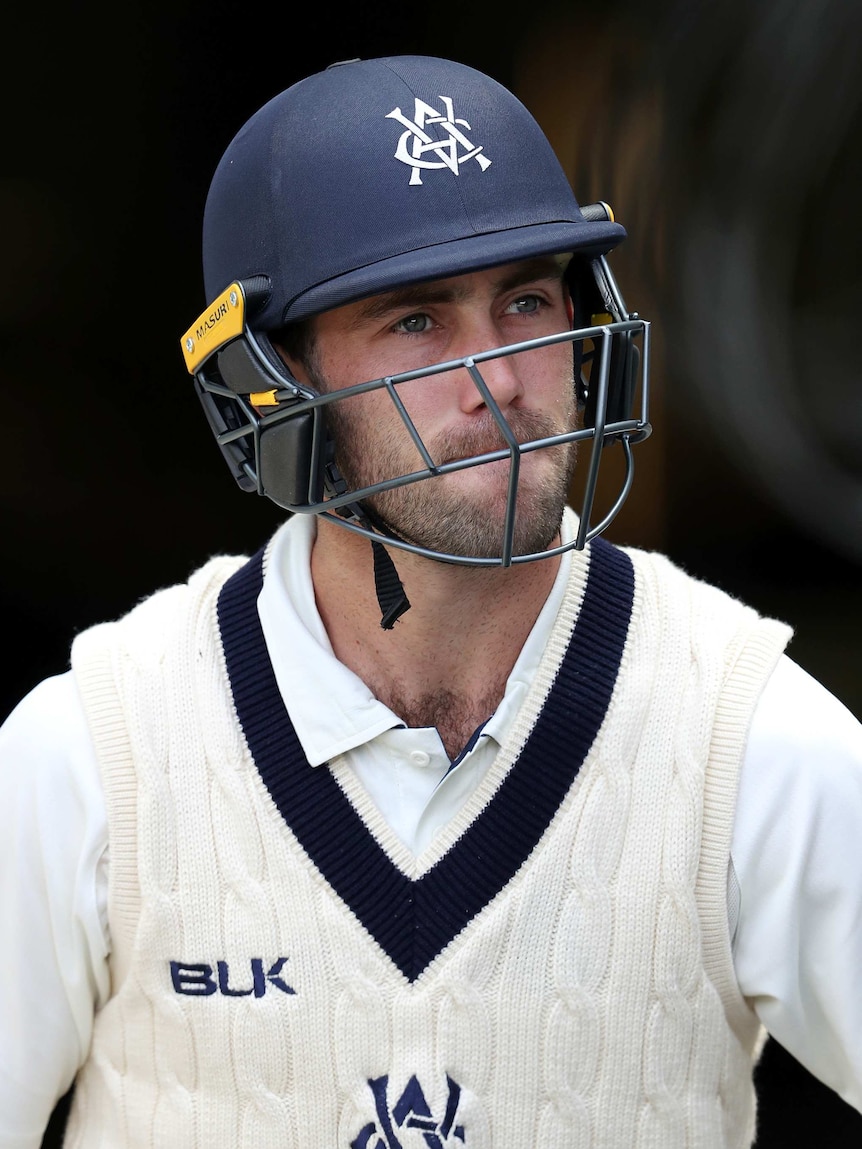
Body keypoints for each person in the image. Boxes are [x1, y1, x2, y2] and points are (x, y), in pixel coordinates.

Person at [1, 54, 861, 1149]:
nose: (498, 378)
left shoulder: (750, 736)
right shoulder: (94, 750)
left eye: (526, 301)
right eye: (415, 321)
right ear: (272, 383)